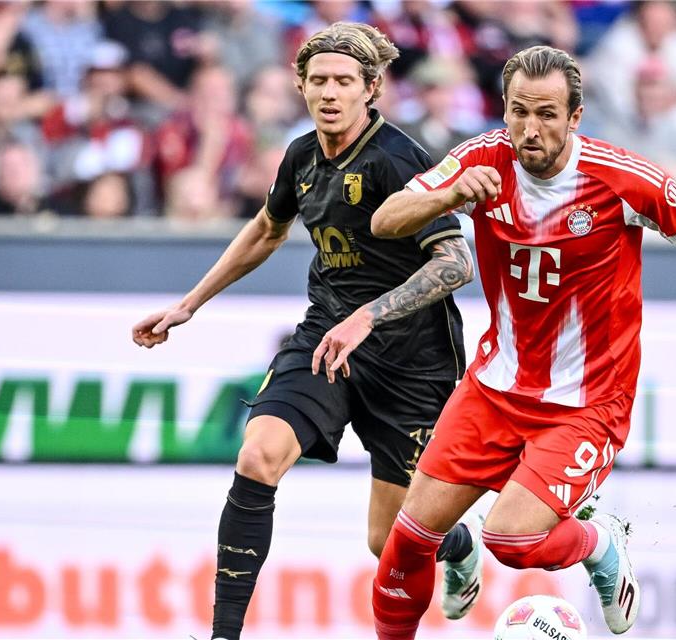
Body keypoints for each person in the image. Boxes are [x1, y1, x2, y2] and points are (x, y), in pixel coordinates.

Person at [367, 45, 676, 639]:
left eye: (547, 114)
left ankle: (600, 544)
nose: (530, 129)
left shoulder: (619, 177)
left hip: (586, 402)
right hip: (494, 388)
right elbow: (385, 220)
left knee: (511, 538)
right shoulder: (481, 159)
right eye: (518, 112)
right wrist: (446, 197)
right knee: (404, 540)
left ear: (575, 117)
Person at [131, 22, 483, 640]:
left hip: (412, 361)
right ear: (300, 85)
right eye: (318, 80)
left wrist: (369, 316)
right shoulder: (300, 155)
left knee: (387, 539)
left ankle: (456, 546)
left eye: (344, 81)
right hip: (327, 339)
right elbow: (267, 229)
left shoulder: (398, 158)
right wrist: (190, 303)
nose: (329, 92)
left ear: (370, 88)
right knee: (258, 455)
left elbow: (456, 263)